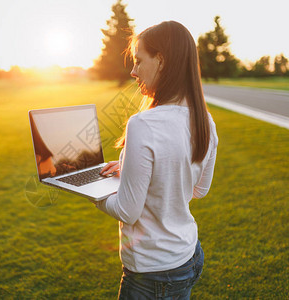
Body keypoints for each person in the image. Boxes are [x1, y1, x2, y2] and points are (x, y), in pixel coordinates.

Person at [94, 20, 219, 299]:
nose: (133, 71)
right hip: (188, 255)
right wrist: (128, 171)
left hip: (151, 273)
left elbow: (127, 211)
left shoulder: (143, 124)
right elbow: (200, 189)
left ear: (161, 61)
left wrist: (91, 191)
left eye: (139, 61)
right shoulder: (205, 121)